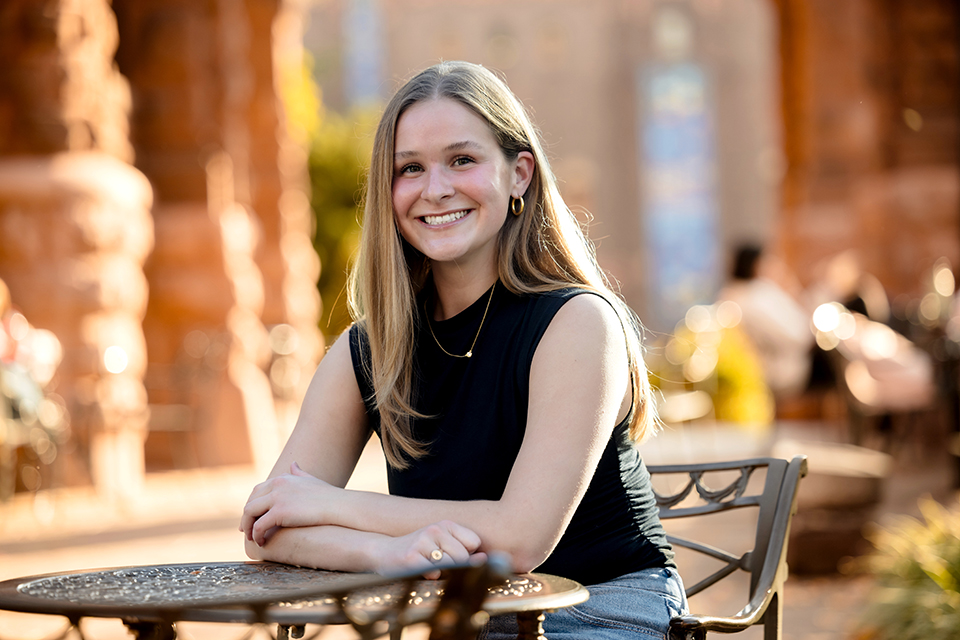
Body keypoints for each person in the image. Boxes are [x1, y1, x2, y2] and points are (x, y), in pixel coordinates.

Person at [240, 61, 686, 639]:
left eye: (462, 159)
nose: (436, 189)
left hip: (600, 607)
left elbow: (520, 538)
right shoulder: (369, 350)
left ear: (519, 173)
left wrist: (332, 505)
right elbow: (267, 530)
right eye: (410, 168)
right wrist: (392, 556)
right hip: (463, 620)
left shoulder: (577, 323)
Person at [717, 244, 814, 401]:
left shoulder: (729, 295)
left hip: (755, 371)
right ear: (757, 266)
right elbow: (799, 336)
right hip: (780, 371)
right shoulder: (757, 295)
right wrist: (792, 291)